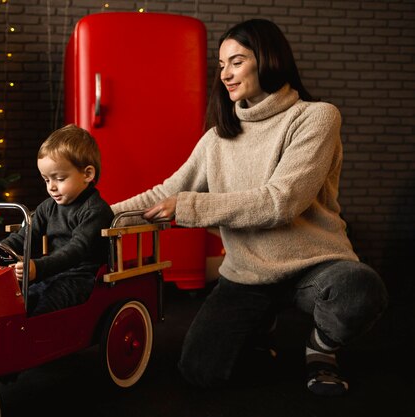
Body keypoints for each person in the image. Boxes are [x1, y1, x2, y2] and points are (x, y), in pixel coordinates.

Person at [110, 19, 388, 396]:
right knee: (199, 372)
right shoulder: (216, 139)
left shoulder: (316, 117)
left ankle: (321, 352)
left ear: (269, 59)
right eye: (221, 65)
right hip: (246, 274)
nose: (225, 74)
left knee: (360, 288)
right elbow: (165, 193)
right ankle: (261, 324)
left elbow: (281, 201)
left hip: (315, 264)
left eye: (236, 61)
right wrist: (95, 215)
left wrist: (188, 206)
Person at [0, 124, 114, 316]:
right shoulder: (48, 206)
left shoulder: (96, 211)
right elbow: (24, 236)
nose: (52, 187)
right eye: (47, 180)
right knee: (18, 299)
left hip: (83, 278)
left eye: (60, 178)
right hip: (52, 272)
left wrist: (38, 267)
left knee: (45, 307)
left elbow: (75, 251)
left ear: (87, 174)